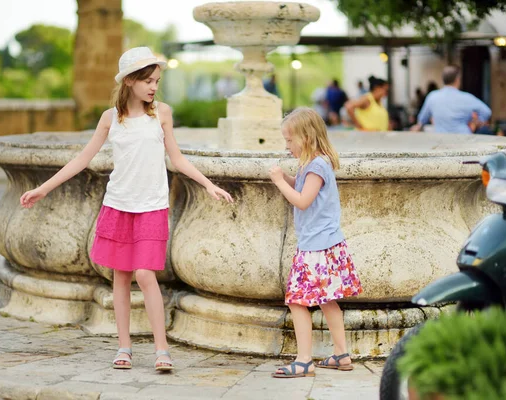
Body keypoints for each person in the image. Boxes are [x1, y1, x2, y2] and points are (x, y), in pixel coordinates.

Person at [19, 47, 233, 371]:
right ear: (130, 81)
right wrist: (42, 188)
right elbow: (82, 159)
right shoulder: (110, 118)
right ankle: (124, 347)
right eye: (147, 80)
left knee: (146, 274)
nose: (153, 87)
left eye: (156, 81)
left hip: (152, 206)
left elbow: (176, 159)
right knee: (120, 278)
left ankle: (162, 349)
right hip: (118, 205)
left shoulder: (162, 113)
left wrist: (208, 184)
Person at [268, 107, 363, 378]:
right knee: (327, 301)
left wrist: (277, 181)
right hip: (326, 244)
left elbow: (302, 200)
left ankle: (304, 360)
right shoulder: (312, 164)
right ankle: (342, 354)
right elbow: (301, 188)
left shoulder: (317, 165)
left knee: (297, 301)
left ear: (306, 137)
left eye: (289, 140)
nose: (286, 146)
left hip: (316, 248)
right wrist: (287, 178)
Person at [411, 65, 491, 134]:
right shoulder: (466, 97)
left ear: (443, 79)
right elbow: (486, 112)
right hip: (464, 140)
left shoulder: (432, 96)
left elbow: (422, 120)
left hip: (441, 141)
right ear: (457, 79)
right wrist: (476, 122)